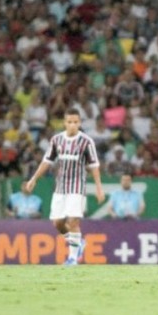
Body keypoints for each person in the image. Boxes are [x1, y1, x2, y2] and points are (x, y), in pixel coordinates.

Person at [27, 108, 105, 265]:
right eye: (69, 122)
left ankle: (72, 258)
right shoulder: (56, 140)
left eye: (75, 122)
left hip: (77, 187)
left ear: (80, 123)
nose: (72, 125)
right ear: (64, 123)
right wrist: (34, 178)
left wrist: (99, 187)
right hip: (61, 186)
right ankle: (78, 243)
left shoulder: (86, 142)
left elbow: (94, 166)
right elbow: (47, 161)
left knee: (74, 221)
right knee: (57, 222)